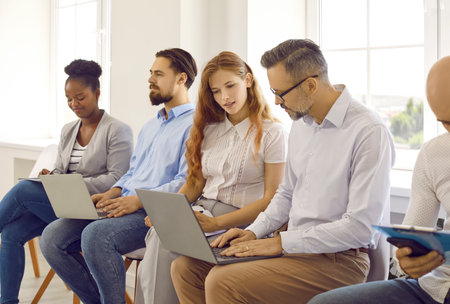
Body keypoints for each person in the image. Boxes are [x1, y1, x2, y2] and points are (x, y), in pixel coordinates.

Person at [170, 39, 395, 304]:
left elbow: (361, 228)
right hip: (292, 249)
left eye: (281, 93)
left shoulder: (368, 132)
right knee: (186, 269)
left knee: (222, 281)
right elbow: (286, 193)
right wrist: (253, 232)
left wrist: (281, 243)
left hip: (339, 260)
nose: (276, 101)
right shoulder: (301, 124)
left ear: (311, 85)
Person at [39, 48, 198, 304]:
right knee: (52, 236)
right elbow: (134, 171)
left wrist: (137, 201)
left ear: (181, 79)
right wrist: (113, 191)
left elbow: (185, 181)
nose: (150, 79)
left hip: (151, 214)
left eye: (158, 74)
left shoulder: (195, 125)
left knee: (95, 236)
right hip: (122, 204)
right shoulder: (151, 125)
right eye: (150, 73)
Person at [134, 51, 287, 304]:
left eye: (230, 86)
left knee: (167, 244)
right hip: (202, 211)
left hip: (242, 221)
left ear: (248, 80)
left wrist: (217, 224)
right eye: (216, 91)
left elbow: (272, 198)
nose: (224, 97)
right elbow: (195, 183)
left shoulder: (273, 133)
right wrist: (170, 211)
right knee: (160, 233)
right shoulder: (208, 129)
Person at [307, 56, 450, 304]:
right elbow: (411, 235)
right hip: (434, 286)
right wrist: (408, 260)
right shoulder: (433, 154)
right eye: (447, 123)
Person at [0, 59, 133, 304]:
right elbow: (62, 169)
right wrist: (52, 177)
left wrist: (70, 183)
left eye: (80, 97)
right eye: (69, 99)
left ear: (97, 93)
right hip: (64, 204)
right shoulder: (68, 130)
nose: (74, 104)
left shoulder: (117, 130)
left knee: (22, 191)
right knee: (10, 233)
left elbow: (118, 178)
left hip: (94, 208)